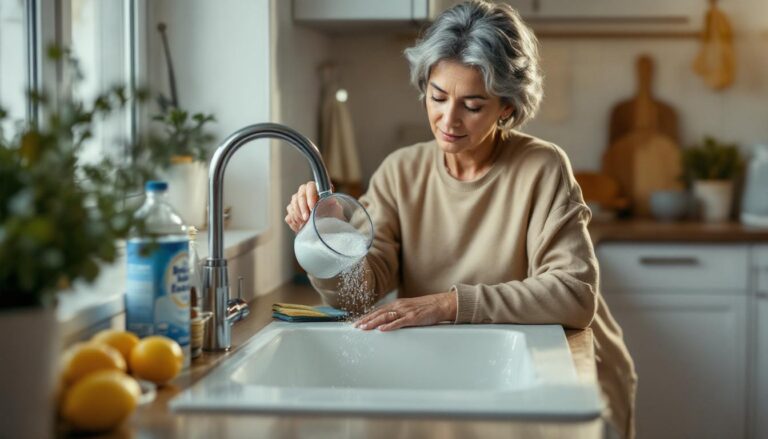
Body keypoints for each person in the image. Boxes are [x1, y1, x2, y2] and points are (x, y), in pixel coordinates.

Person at [284, 1, 637, 437]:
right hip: (454, 364)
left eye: (472, 104)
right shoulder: (400, 170)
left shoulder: (541, 168)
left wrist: (448, 304)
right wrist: (332, 240)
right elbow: (358, 296)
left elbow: (573, 294)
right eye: (437, 97)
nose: (448, 120)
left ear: (506, 107)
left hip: (559, 371)